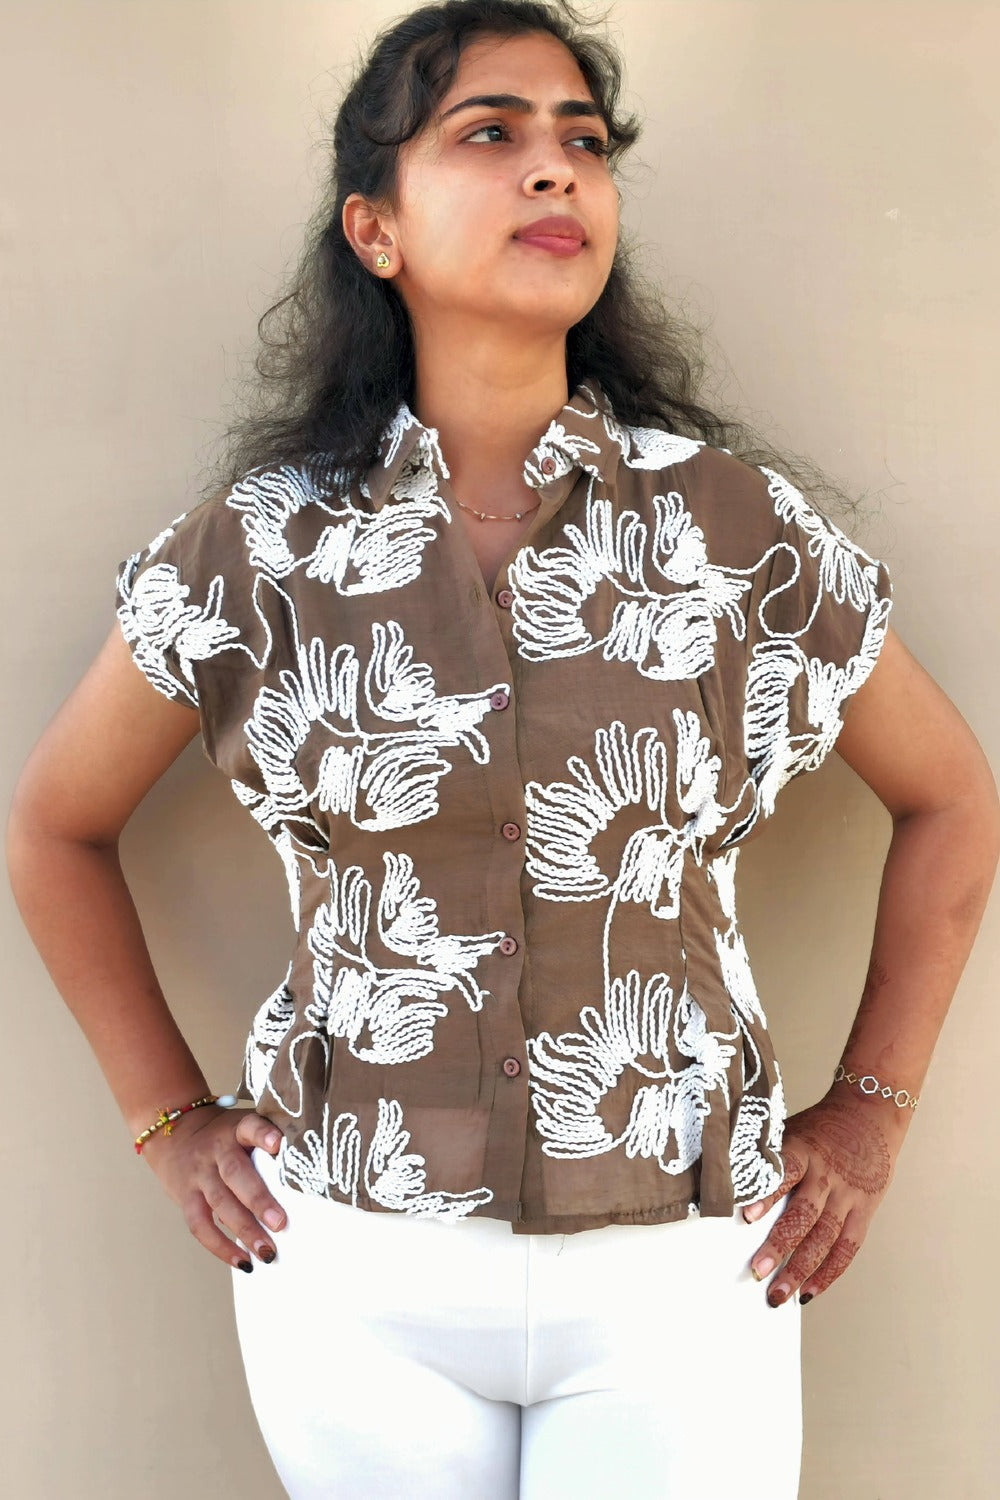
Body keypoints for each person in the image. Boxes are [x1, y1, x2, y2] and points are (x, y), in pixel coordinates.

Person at [6, 2, 998, 1497]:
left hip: (682, 1274)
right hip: (353, 1271)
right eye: (491, 135)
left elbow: (952, 798)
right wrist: (170, 1123)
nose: (556, 172)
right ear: (375, 228)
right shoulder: (262, 549)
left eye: (584, 145)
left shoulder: (727, 529)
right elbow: (53, 829)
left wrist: (869, 1114)